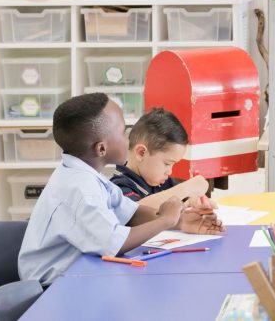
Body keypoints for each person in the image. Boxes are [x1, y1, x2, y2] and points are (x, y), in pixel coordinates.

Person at [18, 93, 220, 285]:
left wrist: (180, 221)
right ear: (101, 149)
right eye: (124, 131)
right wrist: (166, 220)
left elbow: (130, 212)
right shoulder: (80, 189)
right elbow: (114, 244)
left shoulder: (89, 176)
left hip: (75, 274)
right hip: (49, 289)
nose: (128, 137)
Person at [110, 107, 224, 234]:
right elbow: (133, 212)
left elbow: (179, 202)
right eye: (167, 163)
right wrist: (186, 189)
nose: (169, 172)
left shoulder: (161, 182)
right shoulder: (117, 186)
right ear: (141, 153)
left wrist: (193, 201)